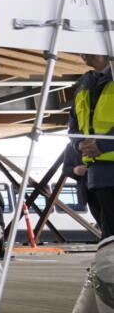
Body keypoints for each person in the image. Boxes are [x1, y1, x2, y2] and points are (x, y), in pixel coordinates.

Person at [70, 52, 114, 239]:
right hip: (98, 172)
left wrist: (103, 144)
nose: (82, 53)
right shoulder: (83, 86)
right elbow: (73, 123)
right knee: (109, 231)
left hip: (106, 161)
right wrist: (79, 144)